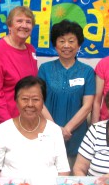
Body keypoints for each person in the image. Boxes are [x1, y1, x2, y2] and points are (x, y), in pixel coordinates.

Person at [0, 76, 70, 179]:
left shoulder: (54, 130)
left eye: (35, 99)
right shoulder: (3, 130)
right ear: (16, 101)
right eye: (25, 99)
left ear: (43, 102)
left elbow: (63, 171)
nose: (30, 104)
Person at [38, 20, 95, 168]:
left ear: (78, 44)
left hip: (76, 136)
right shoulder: (45, 69)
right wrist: (56, 130)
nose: (66, 45)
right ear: (55, 45)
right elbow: (39, 102)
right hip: (48, 132)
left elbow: (88, 106)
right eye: (61, 41)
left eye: (71, 41)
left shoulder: (87, 71)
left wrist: (67, 129)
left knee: (73, 180)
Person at [0, 6, 38, 138]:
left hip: (25, 119)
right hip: (2, 122)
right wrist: (9, 126)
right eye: (19, 21)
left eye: (28, 22)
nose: (24, 25)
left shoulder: (31, 50)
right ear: (10, 25)